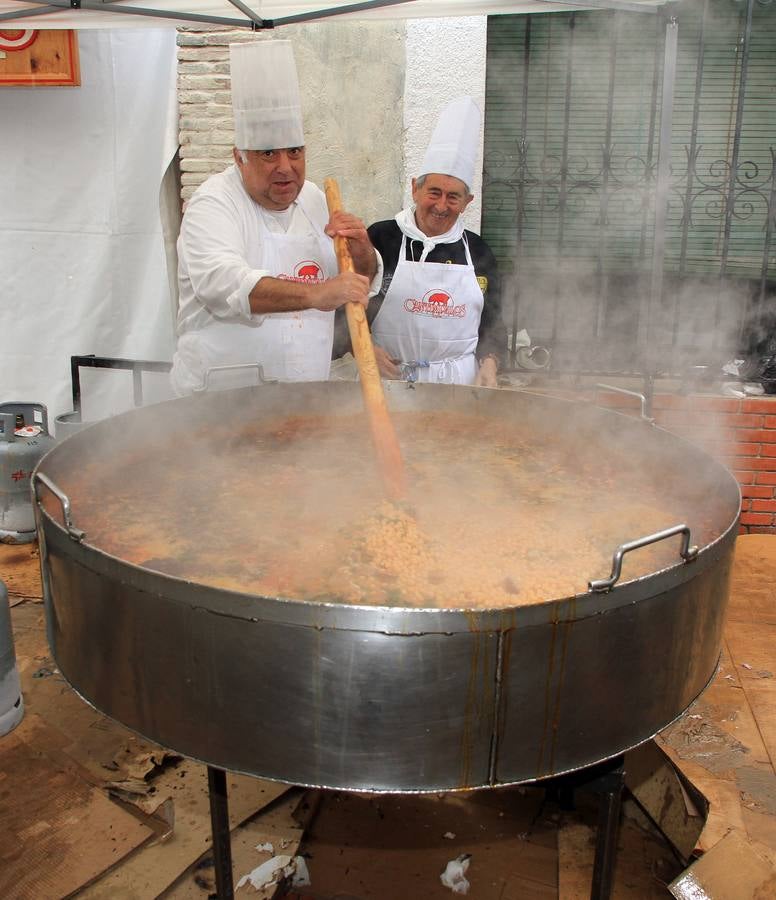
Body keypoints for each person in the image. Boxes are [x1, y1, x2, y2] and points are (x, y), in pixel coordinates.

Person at [171, 40, 378, 395]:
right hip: (221, 402)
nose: (286, 168)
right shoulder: (213, 204)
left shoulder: (314, 199)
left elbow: (361, 278)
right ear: (240, 158)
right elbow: (224, 286)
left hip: (305, 397)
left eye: (295, 152)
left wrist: (362, 252)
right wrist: (318, 294)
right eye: (268, 154)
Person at [343, 96, 506, 387]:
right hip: (386, 382)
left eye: (453, 196)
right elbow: (347, 305)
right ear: (415, 189)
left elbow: (493, 320)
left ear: (467, 202)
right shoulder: (381, 237)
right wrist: (362, 348)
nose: (442, 206)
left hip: (457, 386)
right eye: (434, 192)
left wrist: (490, 363)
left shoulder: (479, 251)